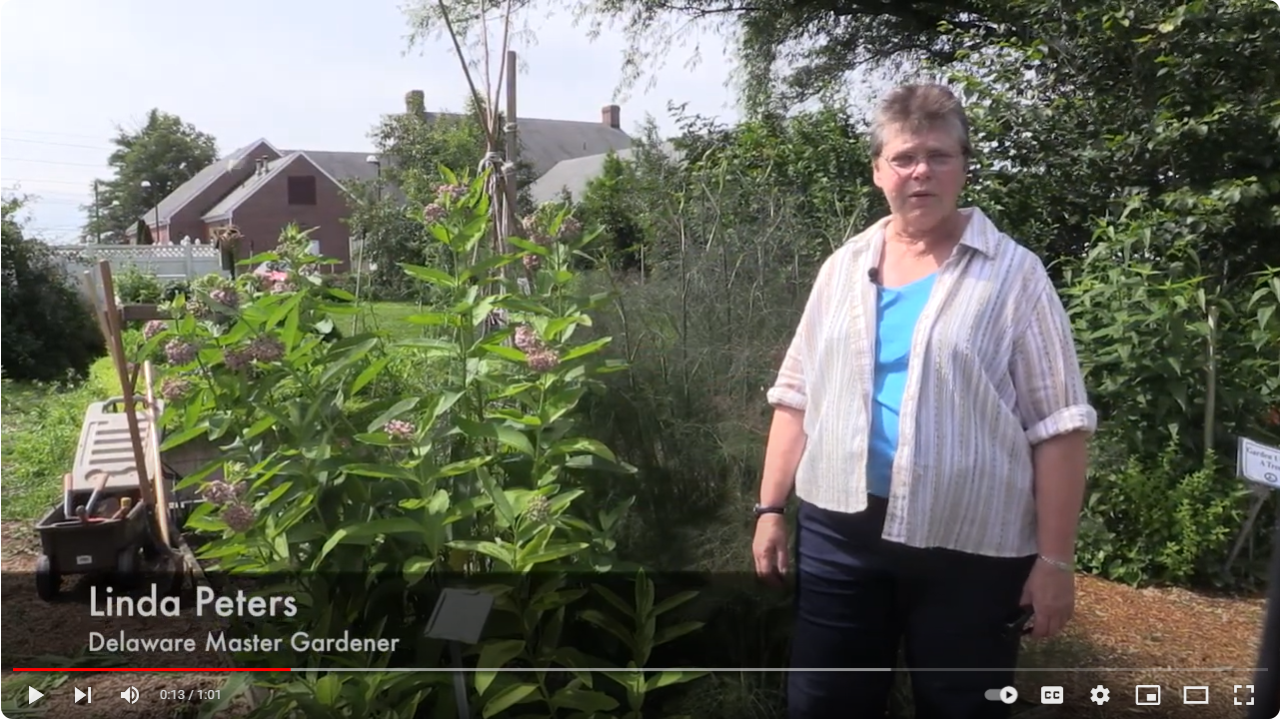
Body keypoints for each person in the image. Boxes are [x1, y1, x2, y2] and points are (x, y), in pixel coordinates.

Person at [752, 83, 1097, 719]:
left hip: (971, 546)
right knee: (824, 703)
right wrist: (771, 507)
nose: (922, 172)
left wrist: (1055, 561)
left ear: (963, 166)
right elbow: (796, 394)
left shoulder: (1015, 277)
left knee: (962, 706)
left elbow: (1060, 428)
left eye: (939, 156)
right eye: (905, 157)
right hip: (840, 533)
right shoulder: (843, 268)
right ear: (879, 169)